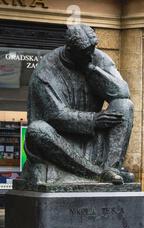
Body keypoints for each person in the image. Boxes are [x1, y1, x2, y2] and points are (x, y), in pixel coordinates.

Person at [23, 24, 134, 185]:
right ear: (69, 50)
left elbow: (122, 92)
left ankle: (111, 169)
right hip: (60, 140)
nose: (90, 56)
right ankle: (97, 174)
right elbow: (55, 116)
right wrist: (93, 120)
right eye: (84, 54)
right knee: (37, 130)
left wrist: (91, 70)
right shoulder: (46, 70)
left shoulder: (97, 58)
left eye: (92, 50)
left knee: (124, 106)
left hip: (94, 140)